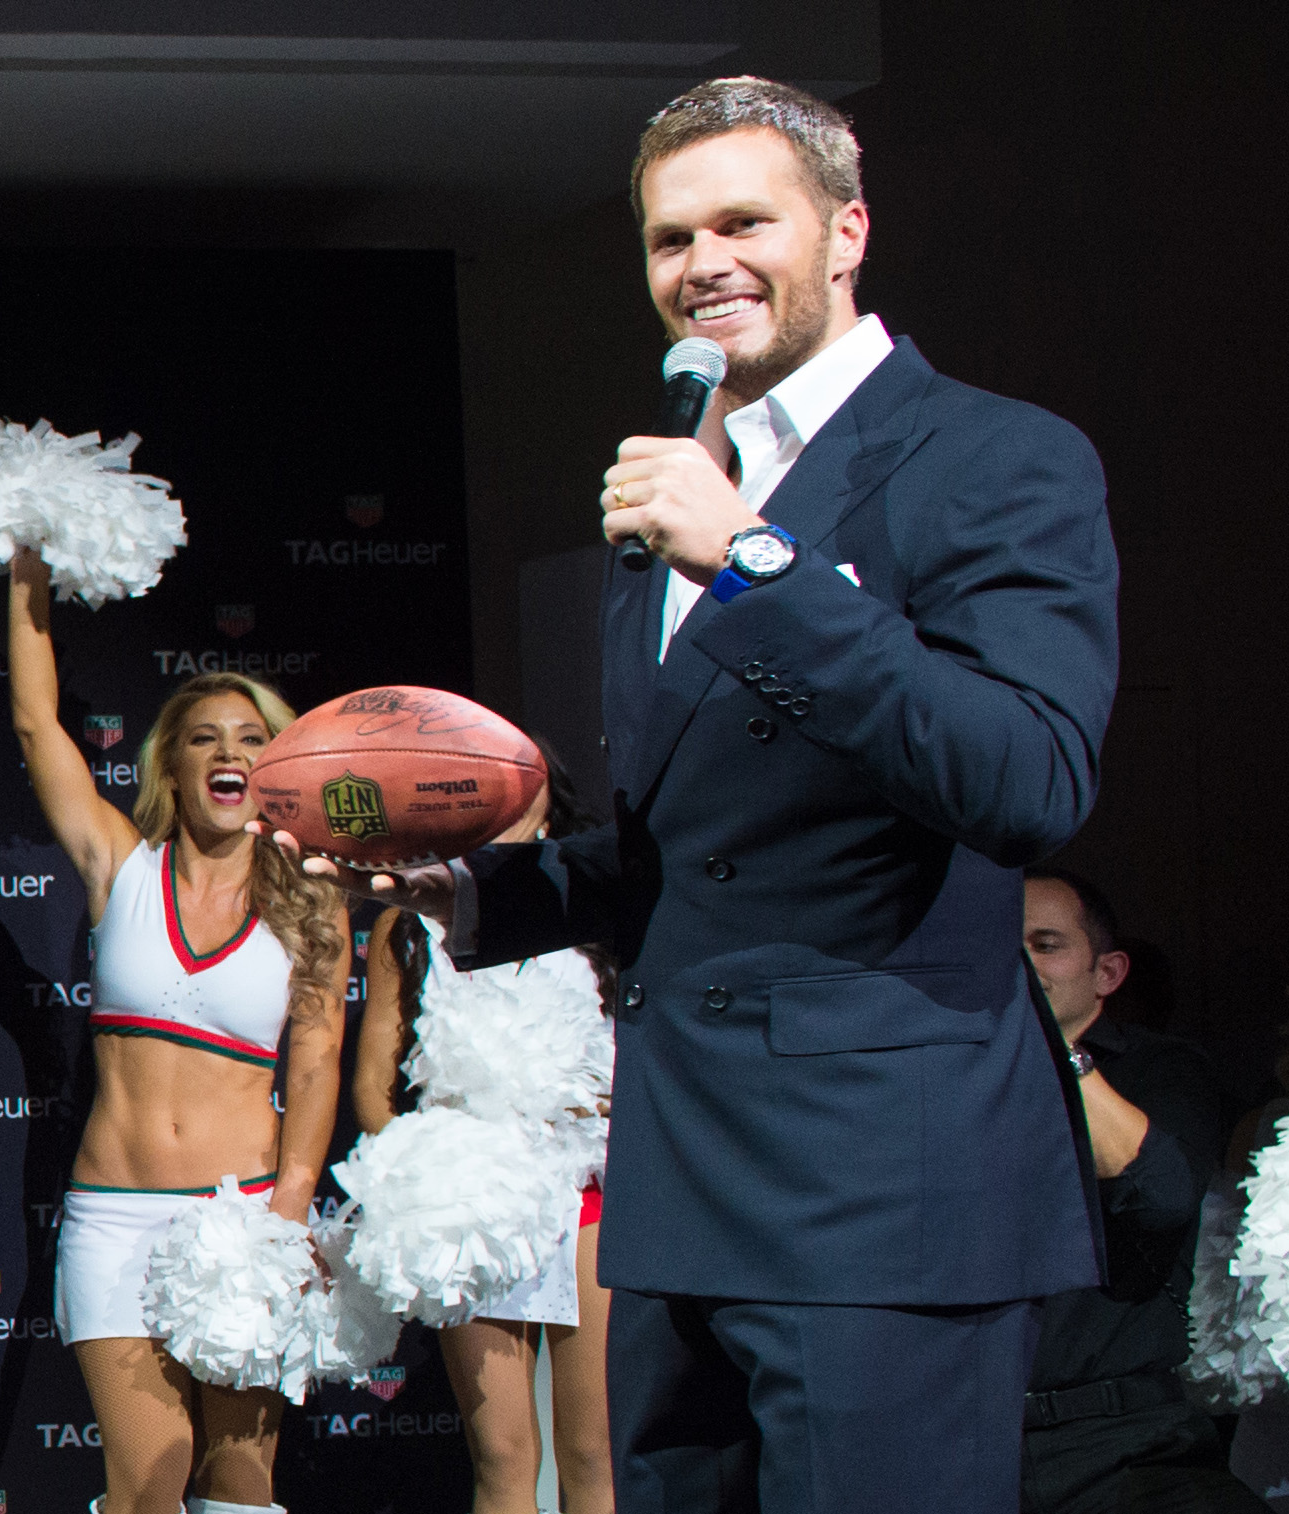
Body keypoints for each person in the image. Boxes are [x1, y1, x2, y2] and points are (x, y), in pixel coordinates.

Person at [268, 77, 1119, 1511]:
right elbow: (698, 854)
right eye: (669, 240)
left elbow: (1022, 777)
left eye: (742, 221)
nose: (700, 264)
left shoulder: (992, 458)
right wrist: (474, 888)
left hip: (880, 1200)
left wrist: (756, 565)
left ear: (844, 231)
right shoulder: (669, 491)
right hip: (679, 1189)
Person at [6, 546, 350, 1514]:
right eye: (204, 737)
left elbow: (318, 1058)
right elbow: (37, 723)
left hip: (242, 1220)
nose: (229, 753)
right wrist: (29, 553)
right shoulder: (120, 864)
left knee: (239, 1488)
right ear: (172, 761)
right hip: (112, 1221)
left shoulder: (312, 902)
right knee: (148, 1488)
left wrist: (286, 1211)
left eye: (249, 737)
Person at [353, 751, 614, 1514]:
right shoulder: (410, 919)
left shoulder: (595, 909)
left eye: (519, 790)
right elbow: (374, 1086)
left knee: (592, 1451)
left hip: (585, 1194)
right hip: (472, 1203)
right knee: (502, 1455)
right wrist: (427, 1169)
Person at [1022, 869, 1270, 1514]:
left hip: (1117, 1440)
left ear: (1107, 973)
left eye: (1044, 945)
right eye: (1000, 946)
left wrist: (1054, 1051)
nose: (1016, 965)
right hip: (956, 1433)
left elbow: (1159, 1195)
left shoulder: (1160, 1069)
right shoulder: (938, 1080)